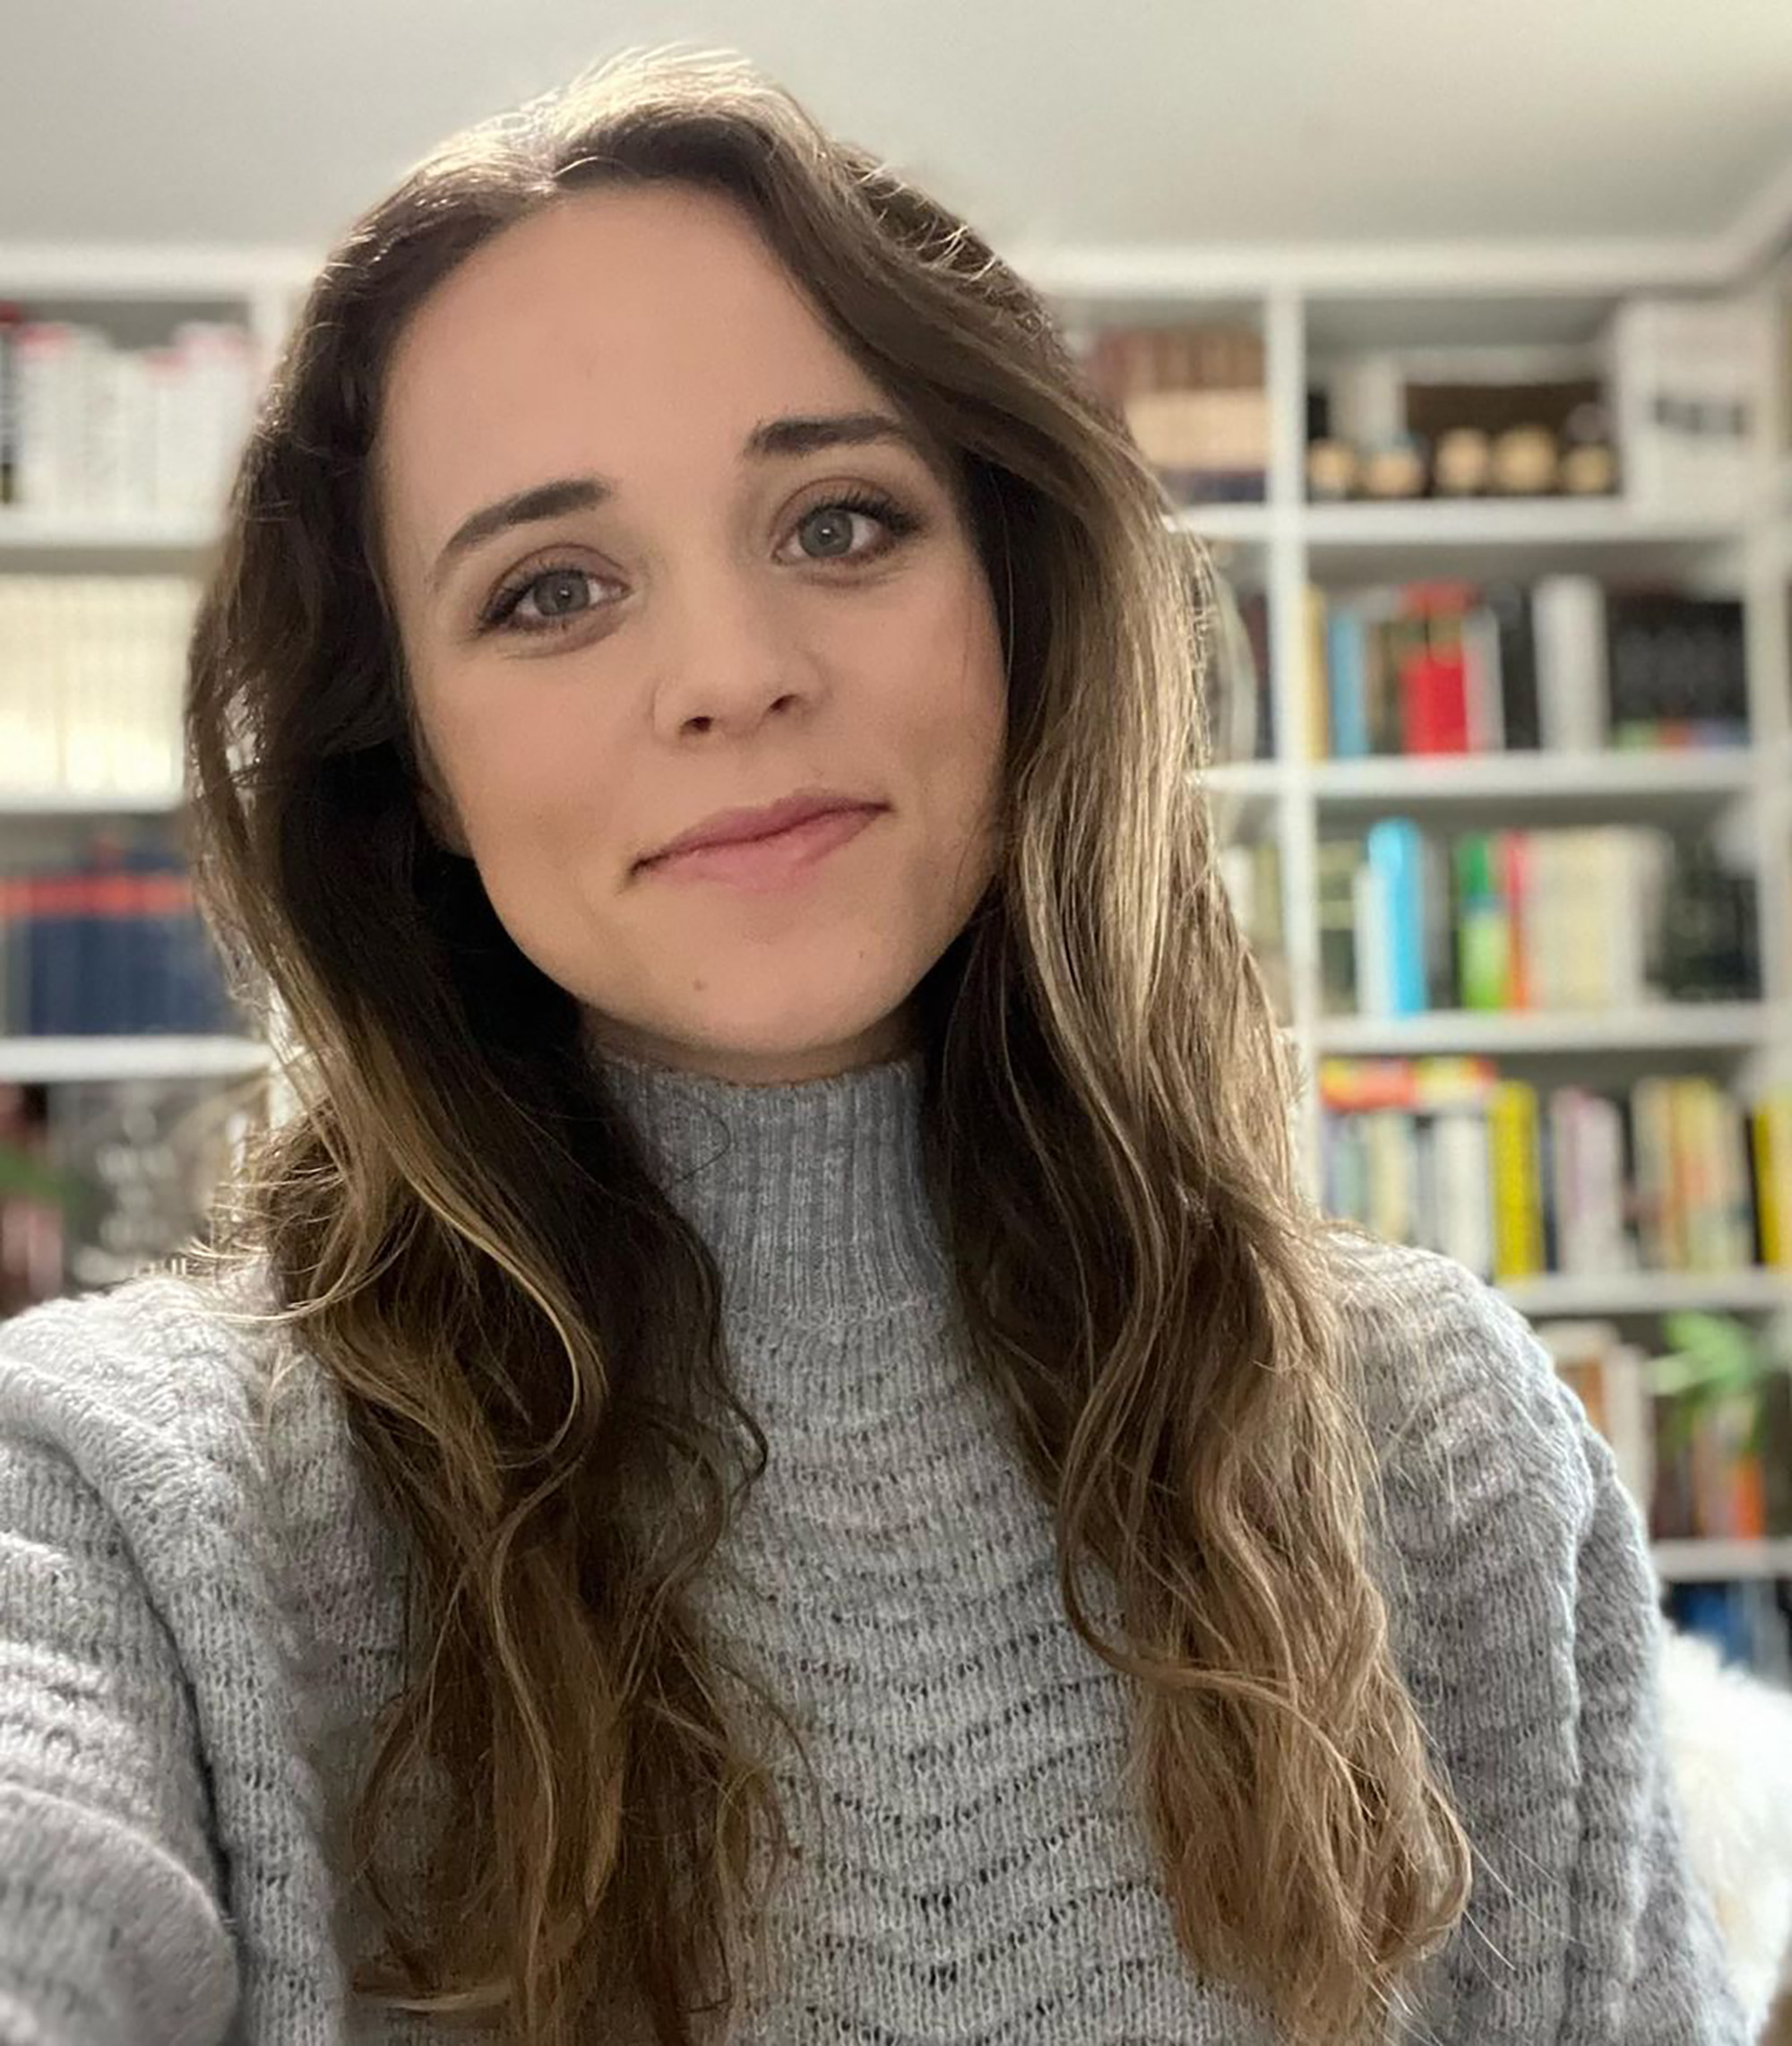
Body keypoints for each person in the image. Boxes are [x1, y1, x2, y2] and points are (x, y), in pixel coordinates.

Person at [0, 43, 1748, 2046]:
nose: (736, 673)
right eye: (550, 589)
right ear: (418, 772)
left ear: (1014, 611)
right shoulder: (128, 1496)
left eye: (838, 522)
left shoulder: (1443, 1444)